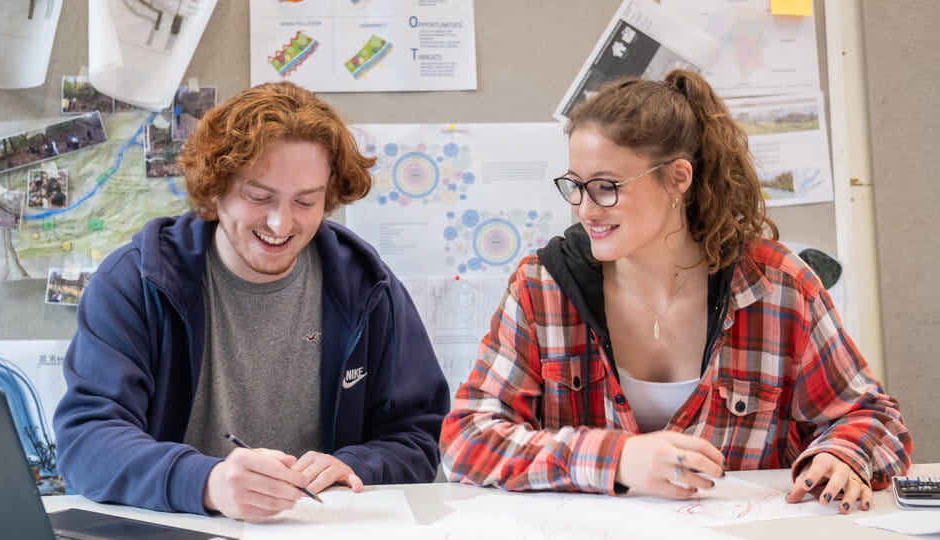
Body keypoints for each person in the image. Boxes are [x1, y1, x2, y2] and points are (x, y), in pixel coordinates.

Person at [439, 70, 911, 514]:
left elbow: (872, 417)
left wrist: (844, 455)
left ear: (678, 179)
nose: (584, 209)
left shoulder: (777, 285)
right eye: (575, 186)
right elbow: (466, 440)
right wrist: (618, 459)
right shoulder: (541, 288)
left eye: (606, 187)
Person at [54, 81, 450, 521]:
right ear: (215, 188)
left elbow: (418, 435)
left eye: (306, 201)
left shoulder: (367, 286)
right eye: (259, 197)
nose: (282, 223)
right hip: (178, 529)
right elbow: (86, 440)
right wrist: (205, 483)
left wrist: (357, 465)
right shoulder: (135, 282)